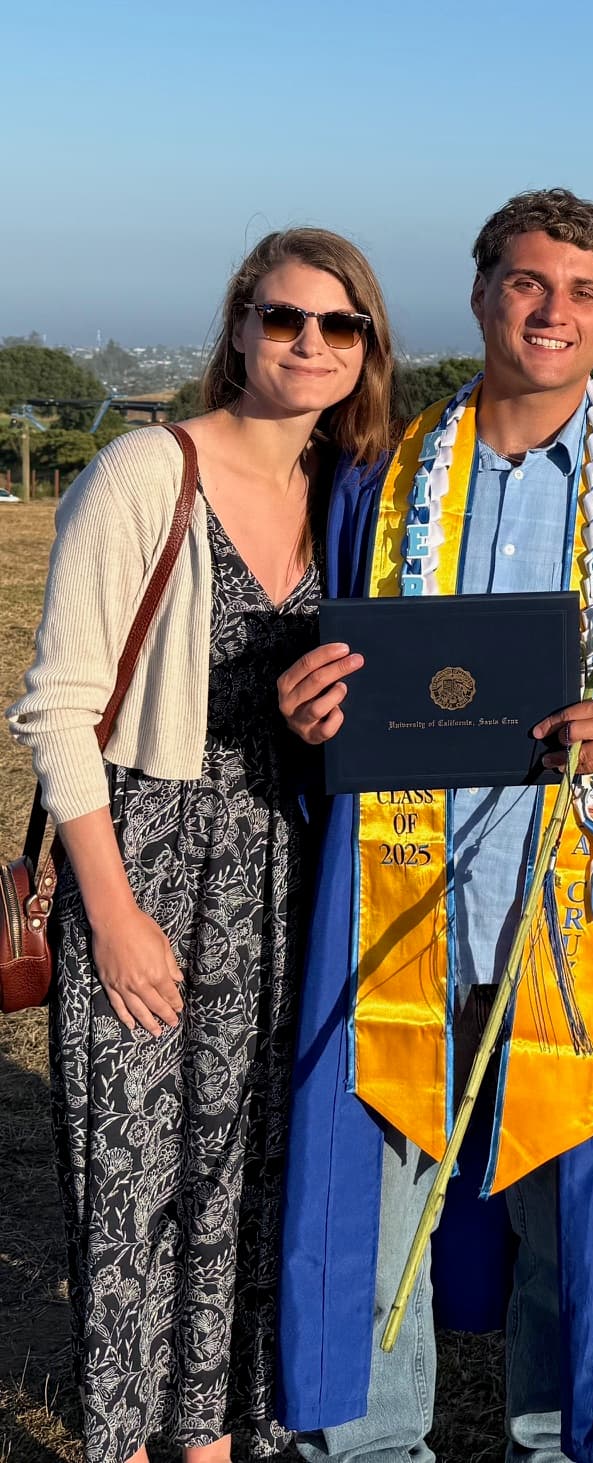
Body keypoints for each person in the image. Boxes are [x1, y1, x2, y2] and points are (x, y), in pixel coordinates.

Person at [272, 189, 593, 1463]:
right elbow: (328, 651)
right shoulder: (380, 474)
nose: (553, 311)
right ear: (480, 295)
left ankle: (551, 1441)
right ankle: (367, 1445)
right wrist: (309, 708)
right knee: (373, 1194)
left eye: (583, 292)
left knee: (568, 1204)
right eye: (528, 283)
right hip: (396, 889)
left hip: (572, 900)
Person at [6, 228, 395, 1463]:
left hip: (286, 869)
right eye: (286, 319)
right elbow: (60, 706)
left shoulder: (347, 493)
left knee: (247, 1168)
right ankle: (131, 1439)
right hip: (152, 852)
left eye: (341, 328)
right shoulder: (144, 470)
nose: (312, 345)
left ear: (367, 350)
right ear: (238, 326)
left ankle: (220, 1431)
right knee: (132, 1179)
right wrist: (113, 913)